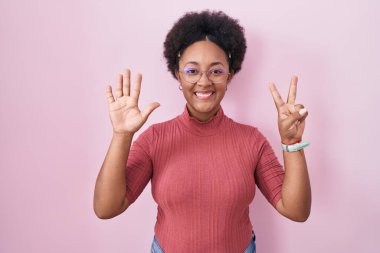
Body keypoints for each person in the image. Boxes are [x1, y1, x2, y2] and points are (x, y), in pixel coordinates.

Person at [93, 10, 311, 253]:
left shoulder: (251, 140)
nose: (204, 82)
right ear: (178, 75)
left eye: (216, 71)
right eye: (192, 71)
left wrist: (292, 142)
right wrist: (122, 135)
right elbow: (106, 208)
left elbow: (296, 211)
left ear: (230, 76)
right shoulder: (155, 139)